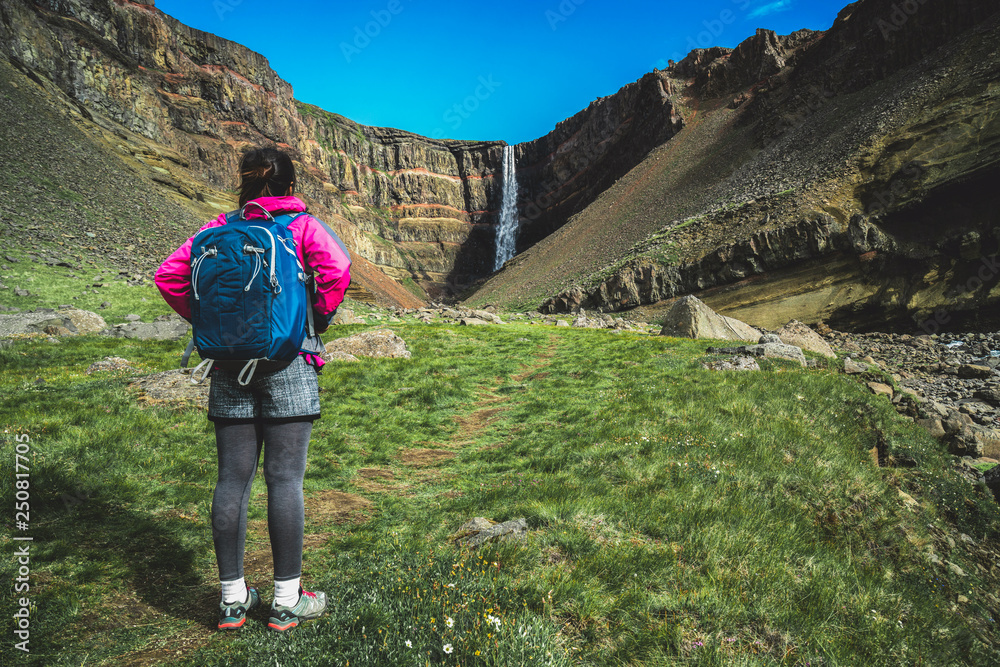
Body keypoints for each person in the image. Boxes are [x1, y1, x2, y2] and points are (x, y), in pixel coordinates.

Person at [155, 147, 351, 631]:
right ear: (289, 185)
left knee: (231, 480)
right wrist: (311, 319)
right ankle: (286, 601)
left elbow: (169, 275)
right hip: (289, 362)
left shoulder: (214, 230)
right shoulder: (302, 226)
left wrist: (214, 326)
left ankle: (231, 600)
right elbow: (338, 270)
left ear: (243, 184)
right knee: (284, 480)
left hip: (226, 366)